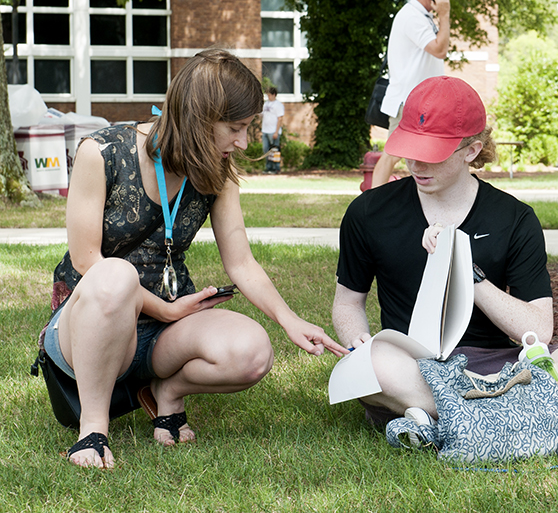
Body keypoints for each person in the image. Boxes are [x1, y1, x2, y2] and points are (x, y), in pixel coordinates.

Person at [46, 50, 349, 468]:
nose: (242, 142)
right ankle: (93, 431)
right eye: (235, 128)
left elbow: (241, 263)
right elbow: (85, 261)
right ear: (197, 117)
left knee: (252, 352)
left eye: (248, 129)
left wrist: (290, 320)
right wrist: (165, 310)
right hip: (91, 322)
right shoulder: (100, 153)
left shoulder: (216, 173)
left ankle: (166, 393)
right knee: (115, 275)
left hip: (161, 331)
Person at [332, 76, 558, 444]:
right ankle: (549, 415)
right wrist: (358, 343)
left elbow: (538, 330)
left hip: (503, 368)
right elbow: (348, 303)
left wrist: (464, 269)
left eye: (432, 151)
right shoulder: (368, 212)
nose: (415, 162)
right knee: (370, 366)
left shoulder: (514, 217)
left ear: (471, 150)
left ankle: (442, 422)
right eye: (410, 148)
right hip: (413, 369)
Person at [371, 0, 451, 188]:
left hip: (420, 100)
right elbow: (440, 49)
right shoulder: (411, 16)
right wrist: (445, 15)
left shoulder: (421, 16)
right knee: (392, 152)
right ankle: (371, 202)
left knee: (421, 152)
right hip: (409, 100)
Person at [261, 86, 284, 174]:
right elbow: (262, 115)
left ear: (274, 95)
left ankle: (276, 168)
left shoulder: (278, 105)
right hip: (265, 130)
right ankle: (268, 167)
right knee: (266, 150)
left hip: (273, 131)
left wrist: (276, 132)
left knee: (275, 150)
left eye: (269, 95)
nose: (268, 97)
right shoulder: (266, 104)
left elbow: (280, 119)